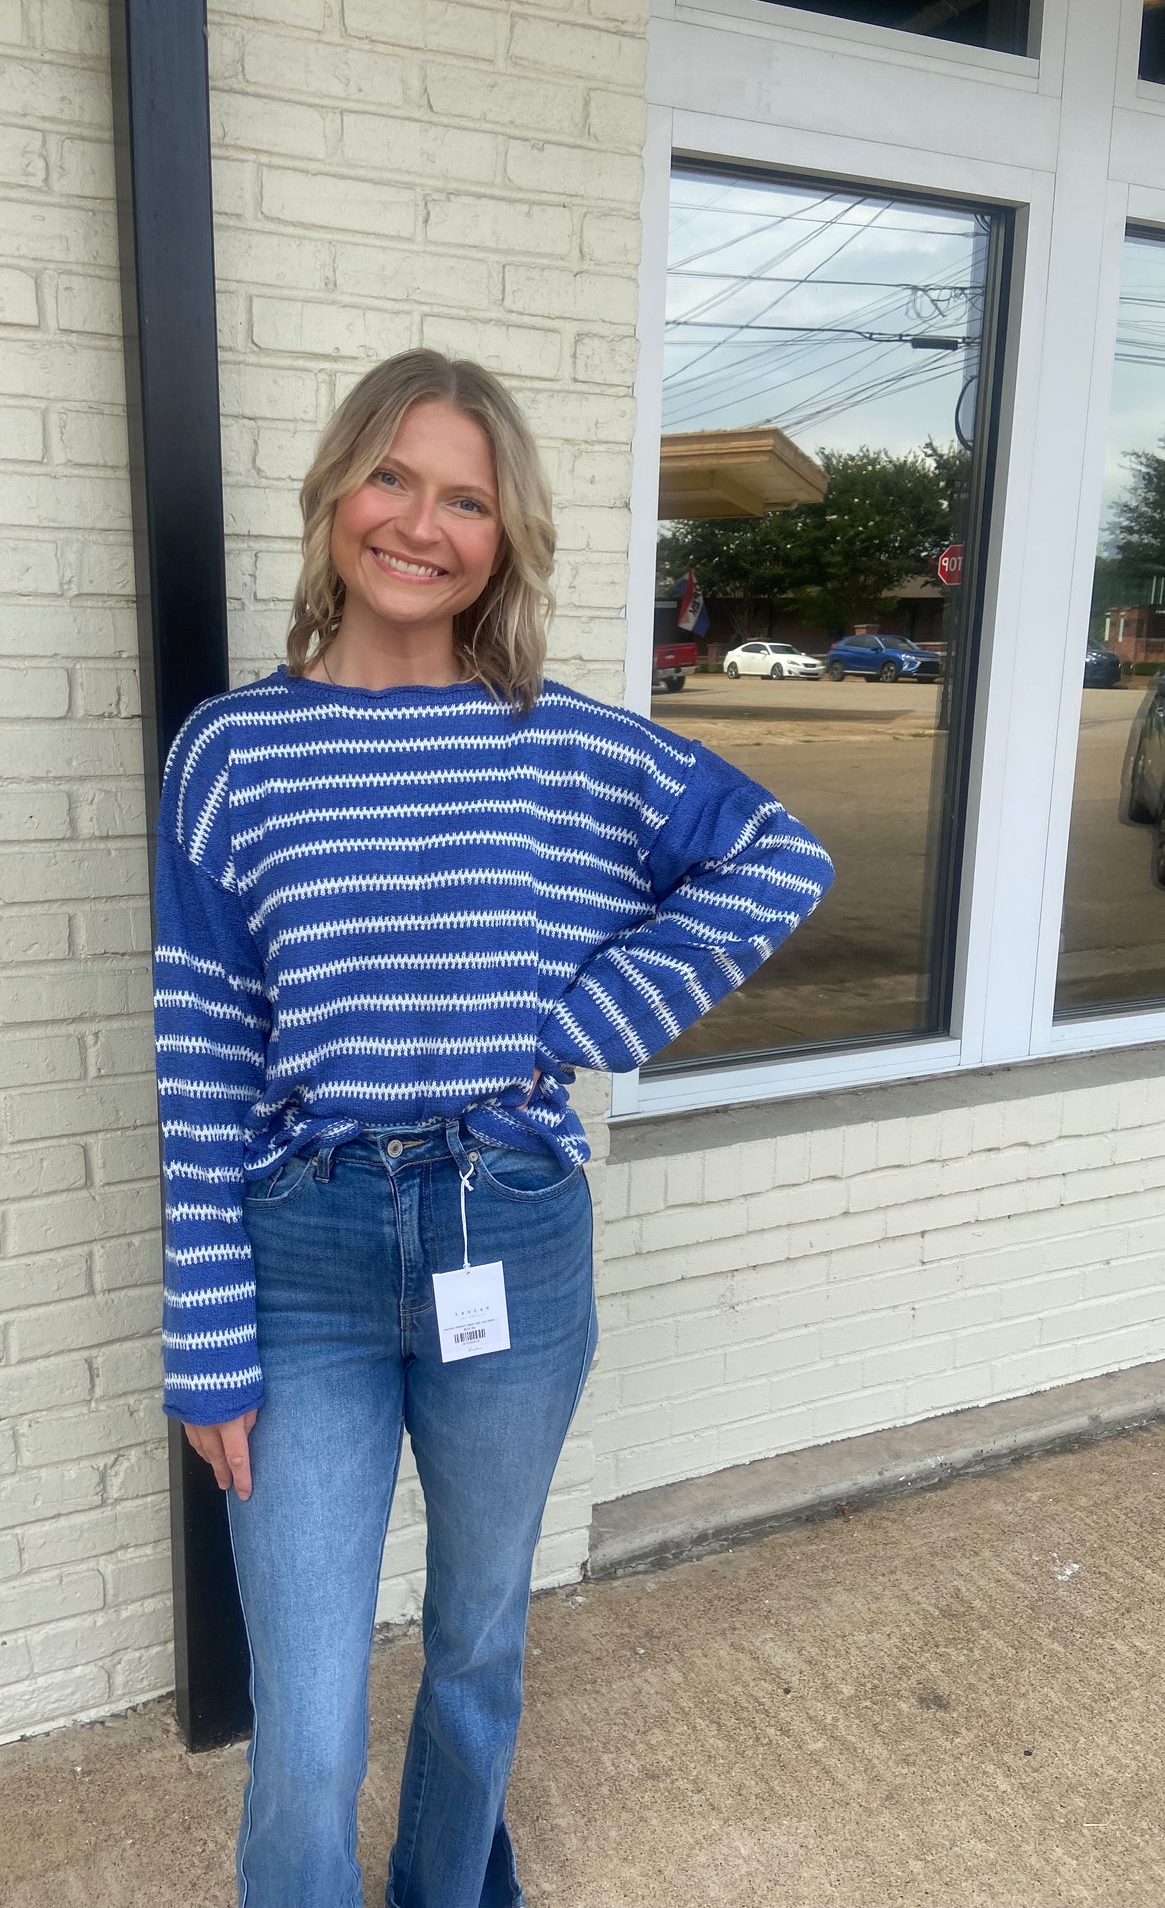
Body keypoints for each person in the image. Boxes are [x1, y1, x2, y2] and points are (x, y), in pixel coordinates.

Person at [151, 348, 834, 1907]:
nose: (420, 522)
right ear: (334, 494)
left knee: (473, 1643)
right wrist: (202, 1334)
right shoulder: (231, 758)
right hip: (301, 1257)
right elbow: (198, 1057)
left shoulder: (558, 741)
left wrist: (580, 1026)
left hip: (507, 1240)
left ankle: (452, 1888)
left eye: (466, 498)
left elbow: (771, 858)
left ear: (502, 540)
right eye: (391, 476)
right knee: (308, 1722)